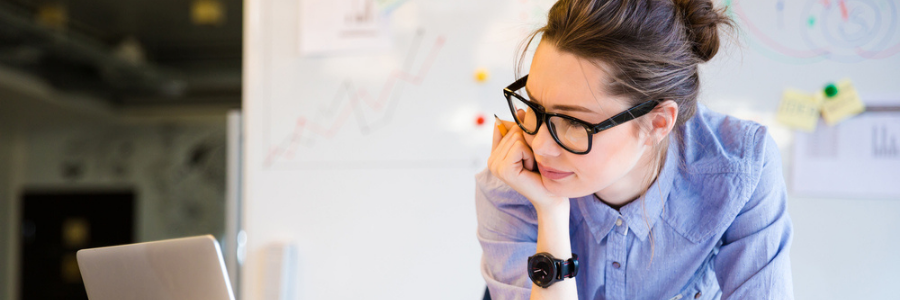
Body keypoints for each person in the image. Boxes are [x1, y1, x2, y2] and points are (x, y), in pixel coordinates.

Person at [475, 0, 794, 299]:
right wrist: (551, 211)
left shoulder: (739, 166)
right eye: (533, 105)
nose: (541, 146)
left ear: (657, 123)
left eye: (573, 122)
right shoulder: (513, 177)